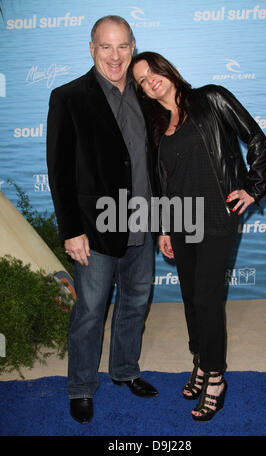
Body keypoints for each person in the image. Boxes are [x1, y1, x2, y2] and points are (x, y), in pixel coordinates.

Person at [130, 52, 266, 421]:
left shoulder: (211, 98)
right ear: (141, 91)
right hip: (180, 222)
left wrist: (253, 187)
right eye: (142, 80)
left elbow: (254, 136)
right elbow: (160, 183)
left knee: (207, 299)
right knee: (191, 298)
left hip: (218, 217)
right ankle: (200, 362)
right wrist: (161, 226)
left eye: (153, 72)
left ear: (167, 70)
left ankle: (216, 377)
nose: (150, 81)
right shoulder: (156, 125)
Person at [46, 17, 159, 425]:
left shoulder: (148, 94)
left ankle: (125, 370)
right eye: (106, 47)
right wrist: (70, 230)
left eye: (123, 46)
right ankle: (80, 387)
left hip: (143, 222)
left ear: (133, 47)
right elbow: (59, 171)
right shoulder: (68, 97)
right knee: (90, 311)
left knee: (135, 302)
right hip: (94, 231)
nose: (115, 56)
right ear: (91, 48)